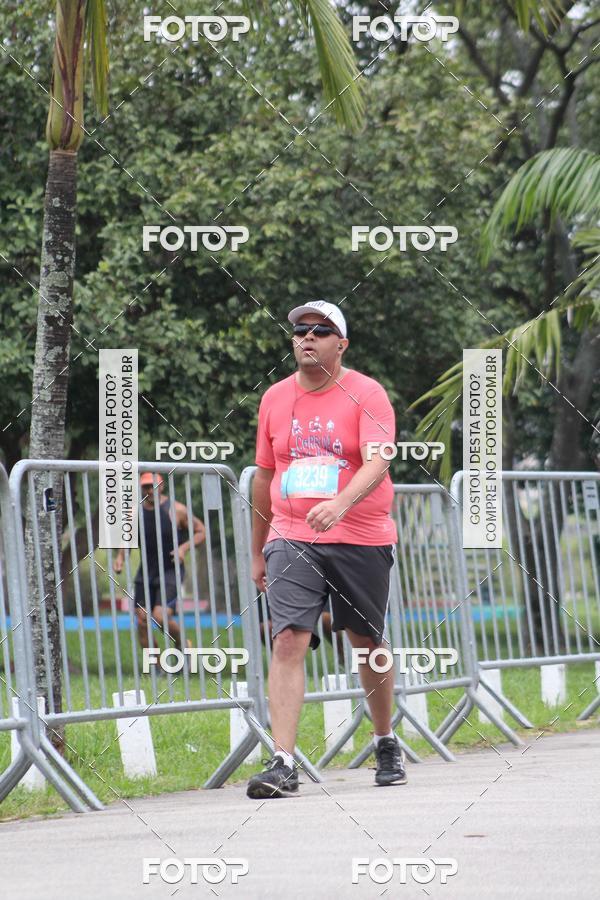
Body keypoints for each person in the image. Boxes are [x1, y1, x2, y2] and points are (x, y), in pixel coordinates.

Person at [247, 300, 405, 799]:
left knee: (366, 644)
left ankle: (385, 740)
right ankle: (283, 762)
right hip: (292, 534)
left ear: (342, 343)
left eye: (320, 330)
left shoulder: (367, 393)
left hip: (359, 533)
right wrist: (257, 550)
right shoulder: (274, 397)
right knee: (288, 639)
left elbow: (379, 460)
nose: (306, 337)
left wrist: (340, 503)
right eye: (299, 330)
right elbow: (265, 476)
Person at [113, 473, 205, 652]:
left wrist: (183, 549)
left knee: (159, 616)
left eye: (153, 486)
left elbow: (201, 531)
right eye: (146, 487)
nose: (149, 490)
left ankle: (182, 643)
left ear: (161, 486)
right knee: (142, 621)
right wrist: (120, 559)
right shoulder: (134, 513)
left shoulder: (176, 510)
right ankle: (155, 668)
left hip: (171, 571)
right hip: (146, 573)